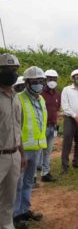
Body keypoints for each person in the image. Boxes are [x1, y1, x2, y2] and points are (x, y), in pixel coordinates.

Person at [14, 66, 47, 225]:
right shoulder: (18, 99)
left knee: (28, 182)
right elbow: (15, 128)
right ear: (27, 83)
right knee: (18, 184)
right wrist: (19, 153)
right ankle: (15, 215)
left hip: (37, 148)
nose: (38, 84)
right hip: (22, 150)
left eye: (41, 81)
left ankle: (25, 210)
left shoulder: (41, 99)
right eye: (35, 82)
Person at [0, 54, 26, 229]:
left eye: (15, 69)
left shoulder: (15, 97)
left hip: (14, 154)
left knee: (9, 197)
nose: (12, 73)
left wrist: (22, 154)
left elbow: (18, 128)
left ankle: (7, 225)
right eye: (8, 69)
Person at [39, 69, 61, 182]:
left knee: (47, 151)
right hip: (42, 127)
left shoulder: (57, 94)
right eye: (50, 79)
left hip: (53, 126)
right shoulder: (40, 93)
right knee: (37, 152)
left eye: (54, 79)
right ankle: (32, 176)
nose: (52, 81)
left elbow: (57, 109)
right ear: (45, 79)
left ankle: (45, 173)